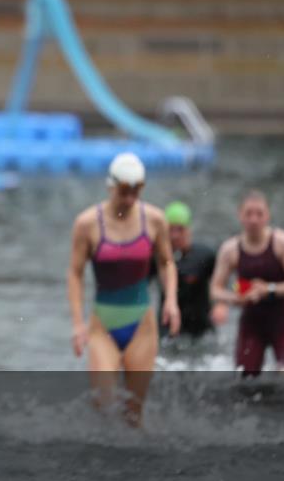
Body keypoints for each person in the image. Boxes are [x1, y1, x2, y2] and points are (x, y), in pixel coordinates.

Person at [68, 153, 180, 426]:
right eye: (124, 192)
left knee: (133, 412)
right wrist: (78, 323)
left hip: (142, 325)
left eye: (136, 192)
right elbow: (75, 273)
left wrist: (171, 301)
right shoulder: (87, 223)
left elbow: (166, 263)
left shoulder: (154, 219)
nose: (130, 199)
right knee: (103, 402)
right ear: (111, 186)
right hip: (102, 325)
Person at [210, 190, 284, 377]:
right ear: (240, 216)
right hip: (251, 325)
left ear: (267, 216)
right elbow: (215, 290)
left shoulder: (283, 243)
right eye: (248, 214)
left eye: (259, 214)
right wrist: (235, 299)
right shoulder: (230, 249)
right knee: (246, 383)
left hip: (282, 323)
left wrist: (268, 289)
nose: (254, 219)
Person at [152, 201, 226, 339]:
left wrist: (222, 305)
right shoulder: (158, 258)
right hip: (168, 326)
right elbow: (140, 283)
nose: (175, 235)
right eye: (171, 230)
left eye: (180, 229)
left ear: (189, 229)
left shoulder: (204, 255)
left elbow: (225, 280)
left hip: (201, 328)